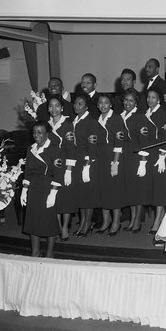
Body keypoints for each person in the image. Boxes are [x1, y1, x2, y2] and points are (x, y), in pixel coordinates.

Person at [20, 121, 62, 258]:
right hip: (34, 188)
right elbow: (27, 172)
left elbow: (59, 172)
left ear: (47, 134)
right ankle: (35, 251)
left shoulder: (54, 149)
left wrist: (53, 193)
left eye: (40, 132)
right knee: (32, 219)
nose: (36, 135)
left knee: (49, 220)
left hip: (48, 187)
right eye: (34, 132)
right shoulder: (31, 149)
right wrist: (24, 190)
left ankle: (50, 252)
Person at [66, 93, 100, 238]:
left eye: (80, 104)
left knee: (88, 194)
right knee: (80, 194)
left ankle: (87, 224)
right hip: (76, 160)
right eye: (75, 103)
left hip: (86, 161)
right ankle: (82, 223)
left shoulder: (90, 121)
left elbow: (92, 143)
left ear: (86, 107)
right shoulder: (74, 120)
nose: (76, 106)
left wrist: (88, 162)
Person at [144, 86, 166, 238]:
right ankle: (159, 217)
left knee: (160, 189)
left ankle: (158, 220)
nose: (150, 100)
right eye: (149, 97)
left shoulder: (162, 113)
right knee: (154, 188)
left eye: (154, 97)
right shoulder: (146, 113)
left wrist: (162, 156)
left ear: (159, 99)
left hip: (161, 155)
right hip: (150, 155)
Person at [95, 93, 127, 235]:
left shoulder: (116, 118)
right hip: (101, 158)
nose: (103, 105)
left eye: (106, 102)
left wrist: (115, 162)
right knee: (103, 190)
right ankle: (106, 221)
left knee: (114, 191)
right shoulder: (97, 119)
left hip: (113, 157)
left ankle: (116, 222)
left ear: (111, 104)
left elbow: (119, 142)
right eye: (100, 103)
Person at [120, 89, 151, 233]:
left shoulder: (140, 117)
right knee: (129, 190)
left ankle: (137, 220)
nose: (127, 103)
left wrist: (143, 162)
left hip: (136, 157)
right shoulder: (119, 117)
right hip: (124, 157)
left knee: (137, 190)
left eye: (131, 101)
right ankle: (132, 218)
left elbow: (145, 141)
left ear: (136, 103)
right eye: (126, 100)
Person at [47, 94, 76, 242]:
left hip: (65, 164)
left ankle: (65, 227)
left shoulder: (67, 124)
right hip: (51, 164)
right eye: (51, 106)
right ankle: (57, 226)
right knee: (54, 197)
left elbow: (71, 148)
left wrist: (69, 170)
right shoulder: (46, 124)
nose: (54, 109)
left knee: (65, 198)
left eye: (57, 106)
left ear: (62, 107)